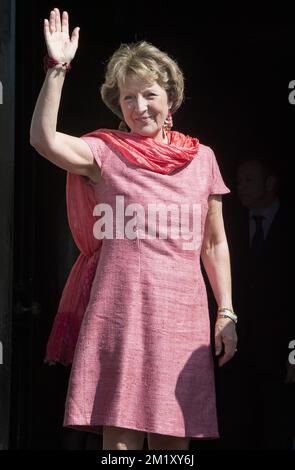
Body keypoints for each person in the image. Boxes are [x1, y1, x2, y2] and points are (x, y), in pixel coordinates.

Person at [30, 7, 237, 451]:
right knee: (120, 447)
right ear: (116, 104)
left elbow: (214, 243)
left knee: (171, 446)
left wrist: (227, 312)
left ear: (171, 97)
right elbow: (43, 139)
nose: (138, 107)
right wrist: (57, 69)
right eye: (127, 97)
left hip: (181, 317)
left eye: (148, 94)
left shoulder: (204, 160)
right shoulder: (104, 152)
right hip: (119, 313)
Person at [217, 157, 294, 449]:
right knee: (236, 431)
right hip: (237, 354)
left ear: (270, 183)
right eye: (238, 181)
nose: (241, 187)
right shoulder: (230, 226)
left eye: (249, 180)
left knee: (276, 431)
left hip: (280, 356)